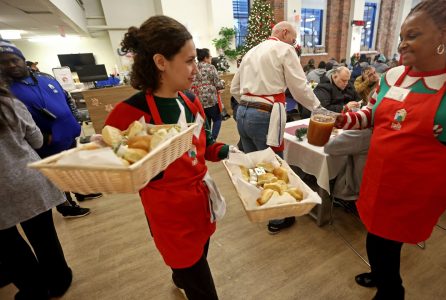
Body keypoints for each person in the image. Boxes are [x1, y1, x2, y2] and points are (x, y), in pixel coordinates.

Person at [334, 1, 446, 298]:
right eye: (401, 36)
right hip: (380, 178)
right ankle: (381, 275)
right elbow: (372, 114)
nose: (401, 44)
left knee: (381, 241)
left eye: (412, 35)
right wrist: (343, 119)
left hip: (418, 188)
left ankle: (391, 291)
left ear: (444, 33)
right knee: (377, 236)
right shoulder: (392, 76)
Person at [104, 16, 237, 300]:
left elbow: (204, 145)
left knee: (199, 253)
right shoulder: (131, 112)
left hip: (200, 203)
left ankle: (181, 276)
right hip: (169, 214)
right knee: (201, 284)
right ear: (161, 62)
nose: (196, 68)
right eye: (189, 61)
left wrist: (231, 152)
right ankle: (186, 276)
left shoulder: (189, 100)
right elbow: (115, 163)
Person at [230, 21, 321, 234]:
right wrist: (317, 108)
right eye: (293, 38)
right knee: (275, 164)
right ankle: (281, 214)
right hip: (264, 114)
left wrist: (248, 102)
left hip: (243, 112)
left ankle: (267, 201)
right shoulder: (284, 49)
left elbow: (234, 87)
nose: (294, 43)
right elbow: (299, 87)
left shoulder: (252, 50)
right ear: (284, 32)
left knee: (257, 164)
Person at [0, 39, 93, 218]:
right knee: (56, 176)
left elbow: (67, 99)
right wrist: (44, 137)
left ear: (23, 59)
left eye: (14, 59)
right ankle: (66, 206)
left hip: (69, 135)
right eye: (4, 62)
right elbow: (14, 125)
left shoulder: (46, 78)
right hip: (46, 143)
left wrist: (75, 120)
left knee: (73, 167)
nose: (11, 65)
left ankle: (81, 192)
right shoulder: (5, 91)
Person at [0, 76, 73, 300]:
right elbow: (37, 140)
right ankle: (59, 280)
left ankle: (33, 289)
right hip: (26, 177)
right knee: (44, 235)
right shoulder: (9, 104)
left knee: (9, 245)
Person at [189, 48, 225, 140]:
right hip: (211, 99)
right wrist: (222, 84)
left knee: (207, 121)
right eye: (210, 56)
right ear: (205, 58)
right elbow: (218, 84)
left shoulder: (194, 66)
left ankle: (207, 140)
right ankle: (213, 139)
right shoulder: (210, 67)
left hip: (198, 99)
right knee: (217, 119)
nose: (211, 59)